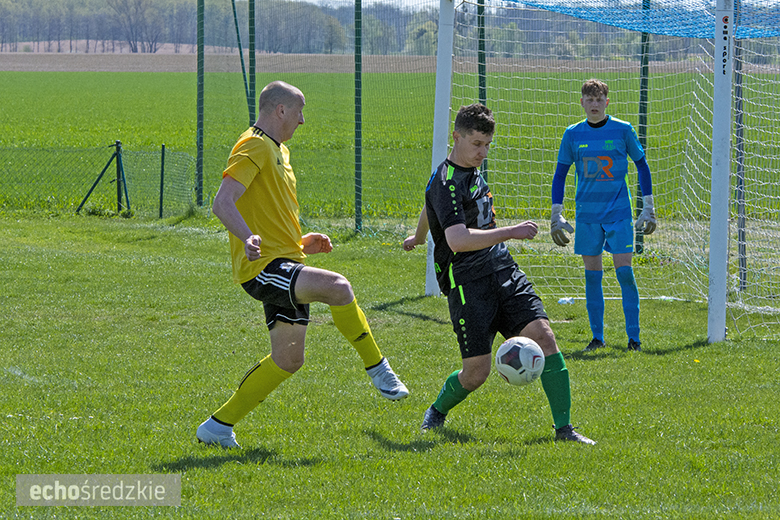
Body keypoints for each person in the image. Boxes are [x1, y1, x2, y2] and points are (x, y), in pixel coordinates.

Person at [197, 81, 409, 448]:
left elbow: (269, 216)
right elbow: (222, 203)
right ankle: (378, 367)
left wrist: (301, 244)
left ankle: (217, 426)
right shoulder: (254, 145)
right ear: (280, 110)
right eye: (299, 111)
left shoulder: (278, 151)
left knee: (289, 359)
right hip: (264, 269)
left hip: (284, 263)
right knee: (338, 287)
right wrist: (247, 238)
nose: (303, 120)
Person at [403, 103, 595, 445]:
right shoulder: (445, 182)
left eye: (488, 145)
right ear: (456, 137)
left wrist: (418, 237)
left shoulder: (463, 172)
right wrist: (510, 231)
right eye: (477, 144)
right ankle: (436, 411)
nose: (483, 152)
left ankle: (564, 430)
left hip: (502, 269)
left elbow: (427, 206)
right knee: (476, 373)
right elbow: (458, 240)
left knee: (545, 337)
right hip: (467, 283)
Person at [550, 78, 656, 353]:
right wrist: (556, 213)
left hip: (619, 213)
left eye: (599, 99)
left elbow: (642, 166)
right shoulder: (572, 134)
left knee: (625, 274)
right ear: (582, 102)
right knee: (592, 277)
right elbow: (560, 174)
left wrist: (648, 206)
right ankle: (597, 337)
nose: (594, 104)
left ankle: (634, 338)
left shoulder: (623, 130)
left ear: (607, 102)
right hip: (587, 216)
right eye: (589, 99)